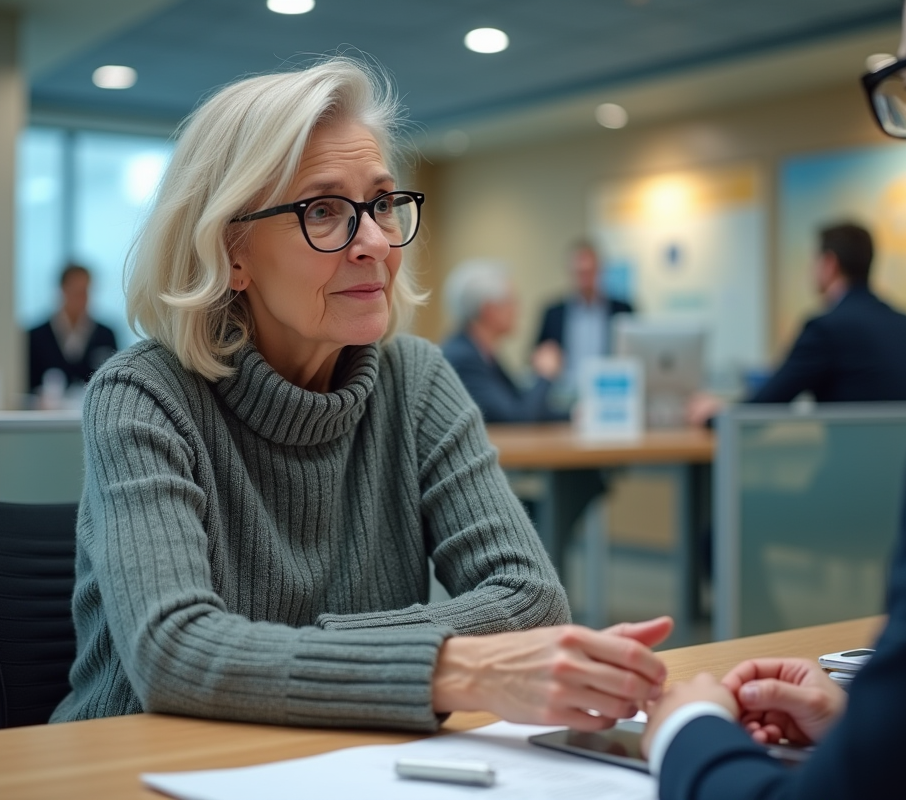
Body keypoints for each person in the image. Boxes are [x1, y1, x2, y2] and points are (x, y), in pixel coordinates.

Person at [50, 58, 674, 734]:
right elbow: (176, 652)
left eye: (380, 203)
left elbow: (530, 602)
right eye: (324, 211)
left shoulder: (415, 380)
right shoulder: (143, 394)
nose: (375, 242)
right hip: (140, 763)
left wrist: (285, 649)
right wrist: (452, 669)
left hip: (347, 757)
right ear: (230, 250)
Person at [643, 1, 906, 797]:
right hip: (885, 519)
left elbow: (768, 403)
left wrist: (685, 731)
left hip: (830, 513)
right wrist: (894, 721)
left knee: (720, 528)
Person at [687, 223, 906, 426]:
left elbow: (758, 415)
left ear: (829, 264)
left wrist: (714, 415)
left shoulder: (826, 329)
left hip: (846, 480)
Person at [441, 259, 566, 423]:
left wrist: (574, 415)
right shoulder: (463, 358)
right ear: (489, 310)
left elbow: (522, 402)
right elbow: (517, 418)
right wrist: (544, 375)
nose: (518, 309)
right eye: (511, 301)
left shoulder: (482, 352)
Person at [534, 240, 633, 399]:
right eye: (580, 272)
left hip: (611, 395)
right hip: (563, 398)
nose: (585, 278)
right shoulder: (553, 313)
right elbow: (538, 354)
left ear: (600, 270)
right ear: (570, 272)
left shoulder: (623, 310)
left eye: (590, 272)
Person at [27, 263, 119, 394]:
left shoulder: (106, 335)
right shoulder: (36, 336)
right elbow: (27, 383)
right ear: (63, 290)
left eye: (84, 292)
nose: (81, 298)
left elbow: (113, 381)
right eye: (75, 292)